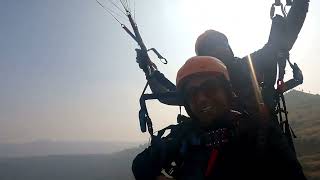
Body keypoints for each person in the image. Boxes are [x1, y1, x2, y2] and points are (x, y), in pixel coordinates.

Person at [132, 56, 306, 180]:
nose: (201, 98)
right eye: (192, 93)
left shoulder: (261, 133)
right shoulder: (185, 135)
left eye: (210, 88)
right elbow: (141, 164)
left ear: (227, 92)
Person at [141, 0, 309, 114]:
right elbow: (169, 96)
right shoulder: (203, 83)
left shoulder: (249, 65)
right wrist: (150, 71)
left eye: (220, 44)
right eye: (212, 48)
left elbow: (280, 43)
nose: (219, 49)